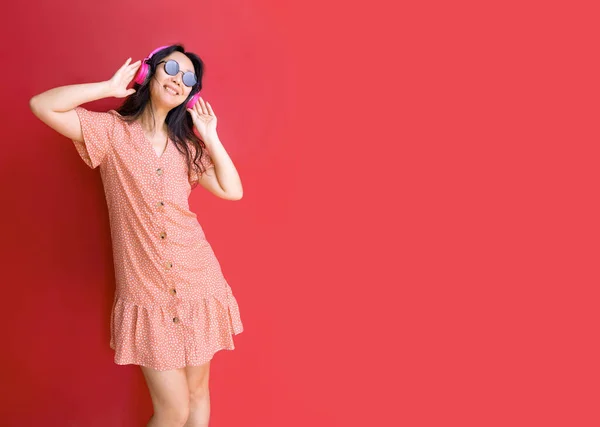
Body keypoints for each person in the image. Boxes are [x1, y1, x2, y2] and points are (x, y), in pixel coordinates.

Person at [29, 44, 244, 427]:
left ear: (191, 94)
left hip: (199, 280)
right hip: (145, 292)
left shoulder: (187, 148)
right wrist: (107, 87)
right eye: (172, 68)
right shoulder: (110, 131)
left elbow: (233, 190)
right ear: (149, 72)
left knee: (197, 397)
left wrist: (210, 136)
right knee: (172, 410)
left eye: (189, 78)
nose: (179, 79)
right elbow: (42, 105)